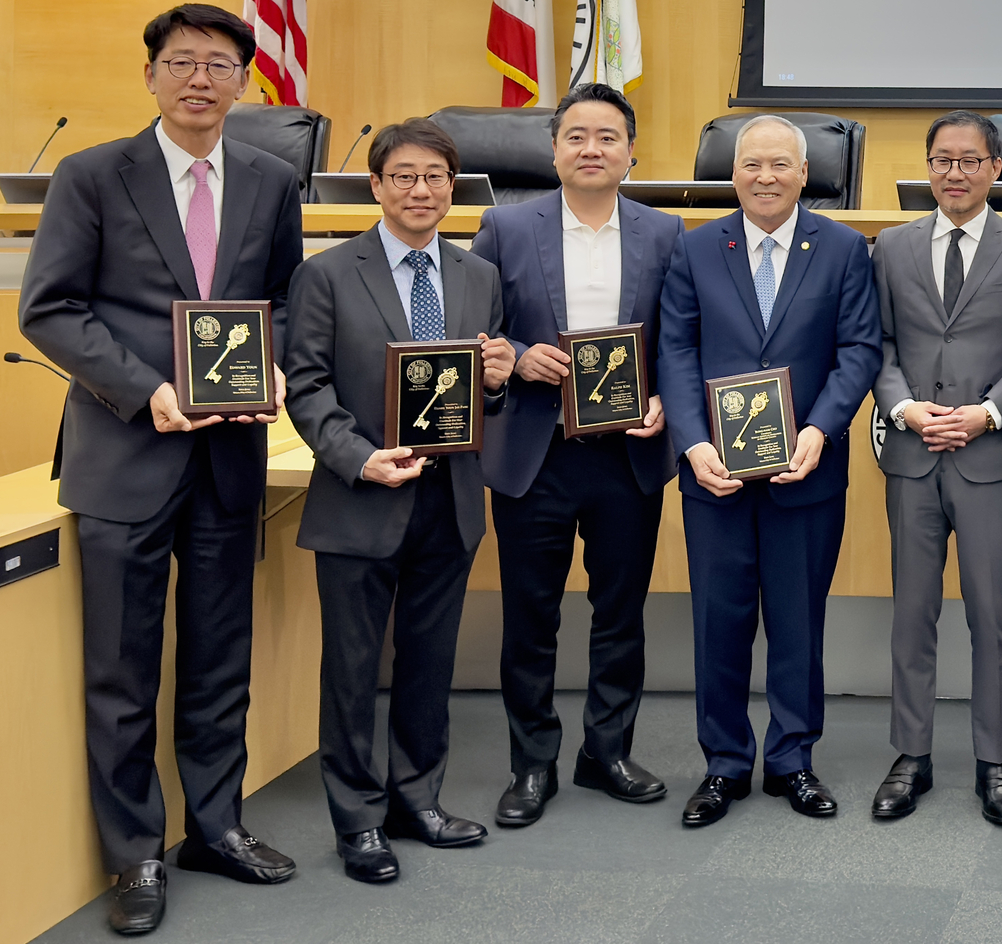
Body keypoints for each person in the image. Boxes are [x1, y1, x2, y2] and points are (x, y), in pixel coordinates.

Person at [16, 5, 302, 932]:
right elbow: (50, 309)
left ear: (245, 83)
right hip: (125, 452)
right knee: (122, 669)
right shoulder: (94, 174)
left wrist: (274, 371)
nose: (198, 80)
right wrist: (145, 392)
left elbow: (290, 301)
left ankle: (216, 826)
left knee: (222, 661)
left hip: (228, 457)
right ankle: (134, 856)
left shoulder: (269, 177)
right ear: (150, 76)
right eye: (180, 62)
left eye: (219, 65)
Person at [284, 119, 515, 883]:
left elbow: (482, 397)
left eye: (437, 178)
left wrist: (496, 379)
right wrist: (359, 458)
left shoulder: (478, 274)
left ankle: (418, 800)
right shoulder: (326, 272)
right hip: (360, 499)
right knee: (352, 672)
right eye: (405, 177)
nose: (422, 191)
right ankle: (357, 820)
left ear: (455, 189)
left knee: (427, 664)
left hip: (448, 501)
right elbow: (307, 385)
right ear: (377, 185)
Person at [656, 115, 882, 827]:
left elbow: (859, 351)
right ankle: (723, 764)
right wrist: (693, 445)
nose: (765, 177)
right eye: (752, 164)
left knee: (797, 623)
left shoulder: (844, 248)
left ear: (806, 174)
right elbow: (677, 353)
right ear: (733, 175)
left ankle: (792, 758)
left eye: (780, 165)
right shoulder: (694, 249)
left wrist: (819, 430)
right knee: (718, 624)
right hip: (714, 476)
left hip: (806, 473)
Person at [472, 83, 680, 827]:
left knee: (619, 613)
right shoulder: (503, 227)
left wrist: (666, 401)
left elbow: (678, 341)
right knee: (530, 616)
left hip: (629, 455)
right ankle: (532, 764)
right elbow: (480, 327)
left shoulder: (666, 232)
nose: (592, 150)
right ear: (554, 150)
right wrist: (520, 355)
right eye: (577, 137)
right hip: (535, 450)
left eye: (607, 138)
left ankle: (607, 751)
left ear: (631, 153)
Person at [866, 111, 1002, 824]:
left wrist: (987, 414)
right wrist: (906, 410)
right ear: (928, 167)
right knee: (912, 615)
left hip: (989, 456)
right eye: (942, 160)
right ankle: (910, 754)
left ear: (995, 169)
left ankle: (995, 758)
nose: (954, 173)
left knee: (989, 613)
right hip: (913, 455)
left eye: (969, 160)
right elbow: (877, 346)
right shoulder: (891, 247)